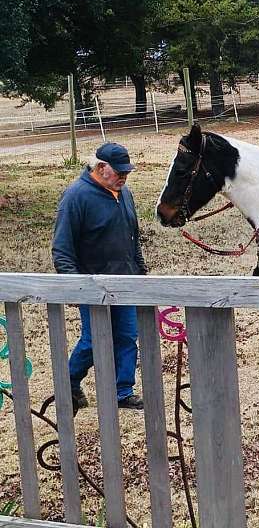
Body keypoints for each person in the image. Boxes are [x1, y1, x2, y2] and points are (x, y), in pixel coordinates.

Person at [52, 142, 148, 413]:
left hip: (126, 282)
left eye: (126, 172)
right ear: (100, 167)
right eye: (119, 172)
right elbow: (62, 249)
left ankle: (123, 391)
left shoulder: (125, 193)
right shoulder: (76, 196)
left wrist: (140, 271)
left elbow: (133, 237)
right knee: (95, 340)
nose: (123, 177)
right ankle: (69, 380)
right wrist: (77, 287)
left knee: (128, 336)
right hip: (92, 286)